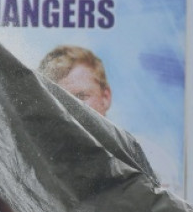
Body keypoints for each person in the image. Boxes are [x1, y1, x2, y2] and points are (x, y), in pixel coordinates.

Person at [37, 45, 182, 196]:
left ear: (105, 97)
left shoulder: (152, 160)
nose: (71, 108)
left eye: (81, 96)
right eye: (59, 99)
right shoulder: (35, 165)